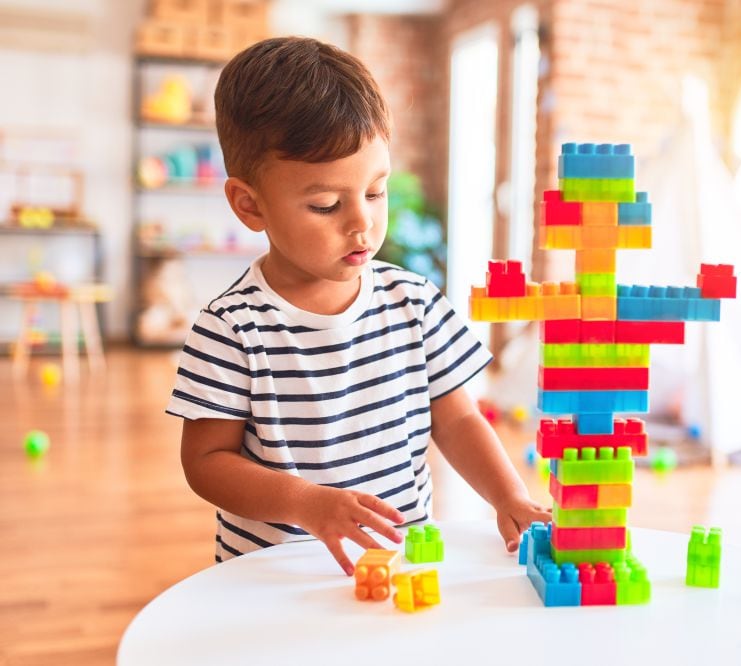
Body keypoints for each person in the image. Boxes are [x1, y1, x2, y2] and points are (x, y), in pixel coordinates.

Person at [167, 36, 549, 575]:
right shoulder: (231, 328)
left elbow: (459, 418)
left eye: (375, 192)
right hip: (274, 574)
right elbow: (205, 463)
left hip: (397, 562)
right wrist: (306, 502)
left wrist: (508, 496)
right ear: (249, 204)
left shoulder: (413, 302)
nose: (361, 223)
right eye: (326, 204)